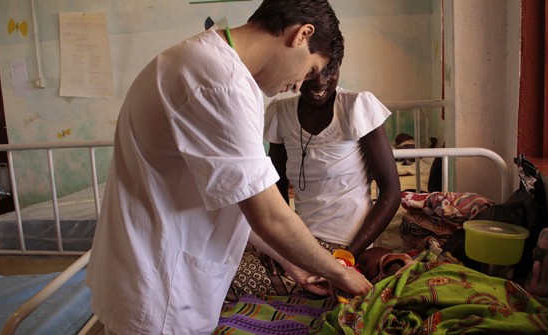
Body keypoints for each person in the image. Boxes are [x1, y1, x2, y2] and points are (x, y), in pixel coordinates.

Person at [85, 1, 372, 333]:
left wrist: (291, 261)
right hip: (161, 287)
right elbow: (269, 214)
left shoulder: (204, 63)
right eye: (309, 70)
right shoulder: (219, 82)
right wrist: (341, 273)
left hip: (150, 273)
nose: (299, 85)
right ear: (301, 34)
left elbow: (236, 195)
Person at [227, 62, 400, 299]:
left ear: (340, 65)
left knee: (226, 277)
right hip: (298, 239)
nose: (320, 81)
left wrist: (343, 261)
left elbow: (391, 193)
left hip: (341, 244)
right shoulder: (281, 112)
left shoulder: (355, 106)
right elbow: (275, 191)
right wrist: (281, 245)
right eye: (309, 71)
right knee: (221, 258)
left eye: (330, 70)